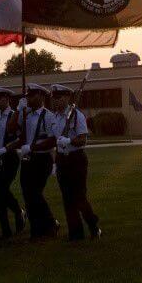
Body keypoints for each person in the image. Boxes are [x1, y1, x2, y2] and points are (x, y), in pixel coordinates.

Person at [51, 84, 101, 240]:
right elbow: (56, 142)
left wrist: (69, 140)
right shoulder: (55, 117)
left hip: (76, 160)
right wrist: (55, 162)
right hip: (62, 160)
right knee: (67, 198)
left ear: (66, 98)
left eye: (58, 98)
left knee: (79, 197)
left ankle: (93, 224)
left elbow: (82, 140)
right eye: (54, 98)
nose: (55, 101)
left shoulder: (76, 115)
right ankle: (76, 233)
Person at [19, 83, 60, 240]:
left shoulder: (48, 116)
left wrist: (33, 147)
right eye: (28, 95)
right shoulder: (26, 115)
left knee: (35, 193)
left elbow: (52, 140)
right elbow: (16, 132)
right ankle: (36, 229)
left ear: (41, 97)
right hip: (28, 158)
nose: (28, 98)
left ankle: (50, 223)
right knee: (27, 195)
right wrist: (20, 111)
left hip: (42, 158)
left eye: (32, 95)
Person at [0, 87, 25, 238]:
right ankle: (6, 230)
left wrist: (4, 149)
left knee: (1, 190)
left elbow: (20, 138)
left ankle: (18, 211)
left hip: (10, 157)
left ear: (7, 99)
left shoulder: (13, 115)